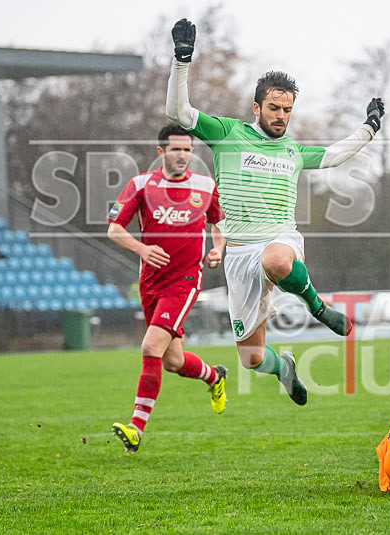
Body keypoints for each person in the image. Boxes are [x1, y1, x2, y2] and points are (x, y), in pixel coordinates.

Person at [166, 19, 384, 406]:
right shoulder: (227, 133)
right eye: (274, 108)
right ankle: (283, 368)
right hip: (238, 255)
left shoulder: (294, 151)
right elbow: (179, 114)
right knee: (251, 359)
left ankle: (318, 307)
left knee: (278, 259)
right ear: (257, 107)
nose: (282, 115)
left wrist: (369, 127)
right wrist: (182, 60)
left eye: (287, 109)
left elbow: (334, 155)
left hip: (278, 240)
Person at [107, 124, 227, 453]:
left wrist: (218, 249)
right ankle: (215, 377)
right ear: (161, 152)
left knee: (150, 347)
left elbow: (219, 223)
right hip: (150, 282)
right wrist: (142, 249)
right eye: (176, 149)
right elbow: (114, 230)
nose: (183, 156)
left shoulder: (205, 186)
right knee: (172, 361)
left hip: (185, 279)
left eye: (188, 150)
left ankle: (136, 428)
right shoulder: (141, 186)